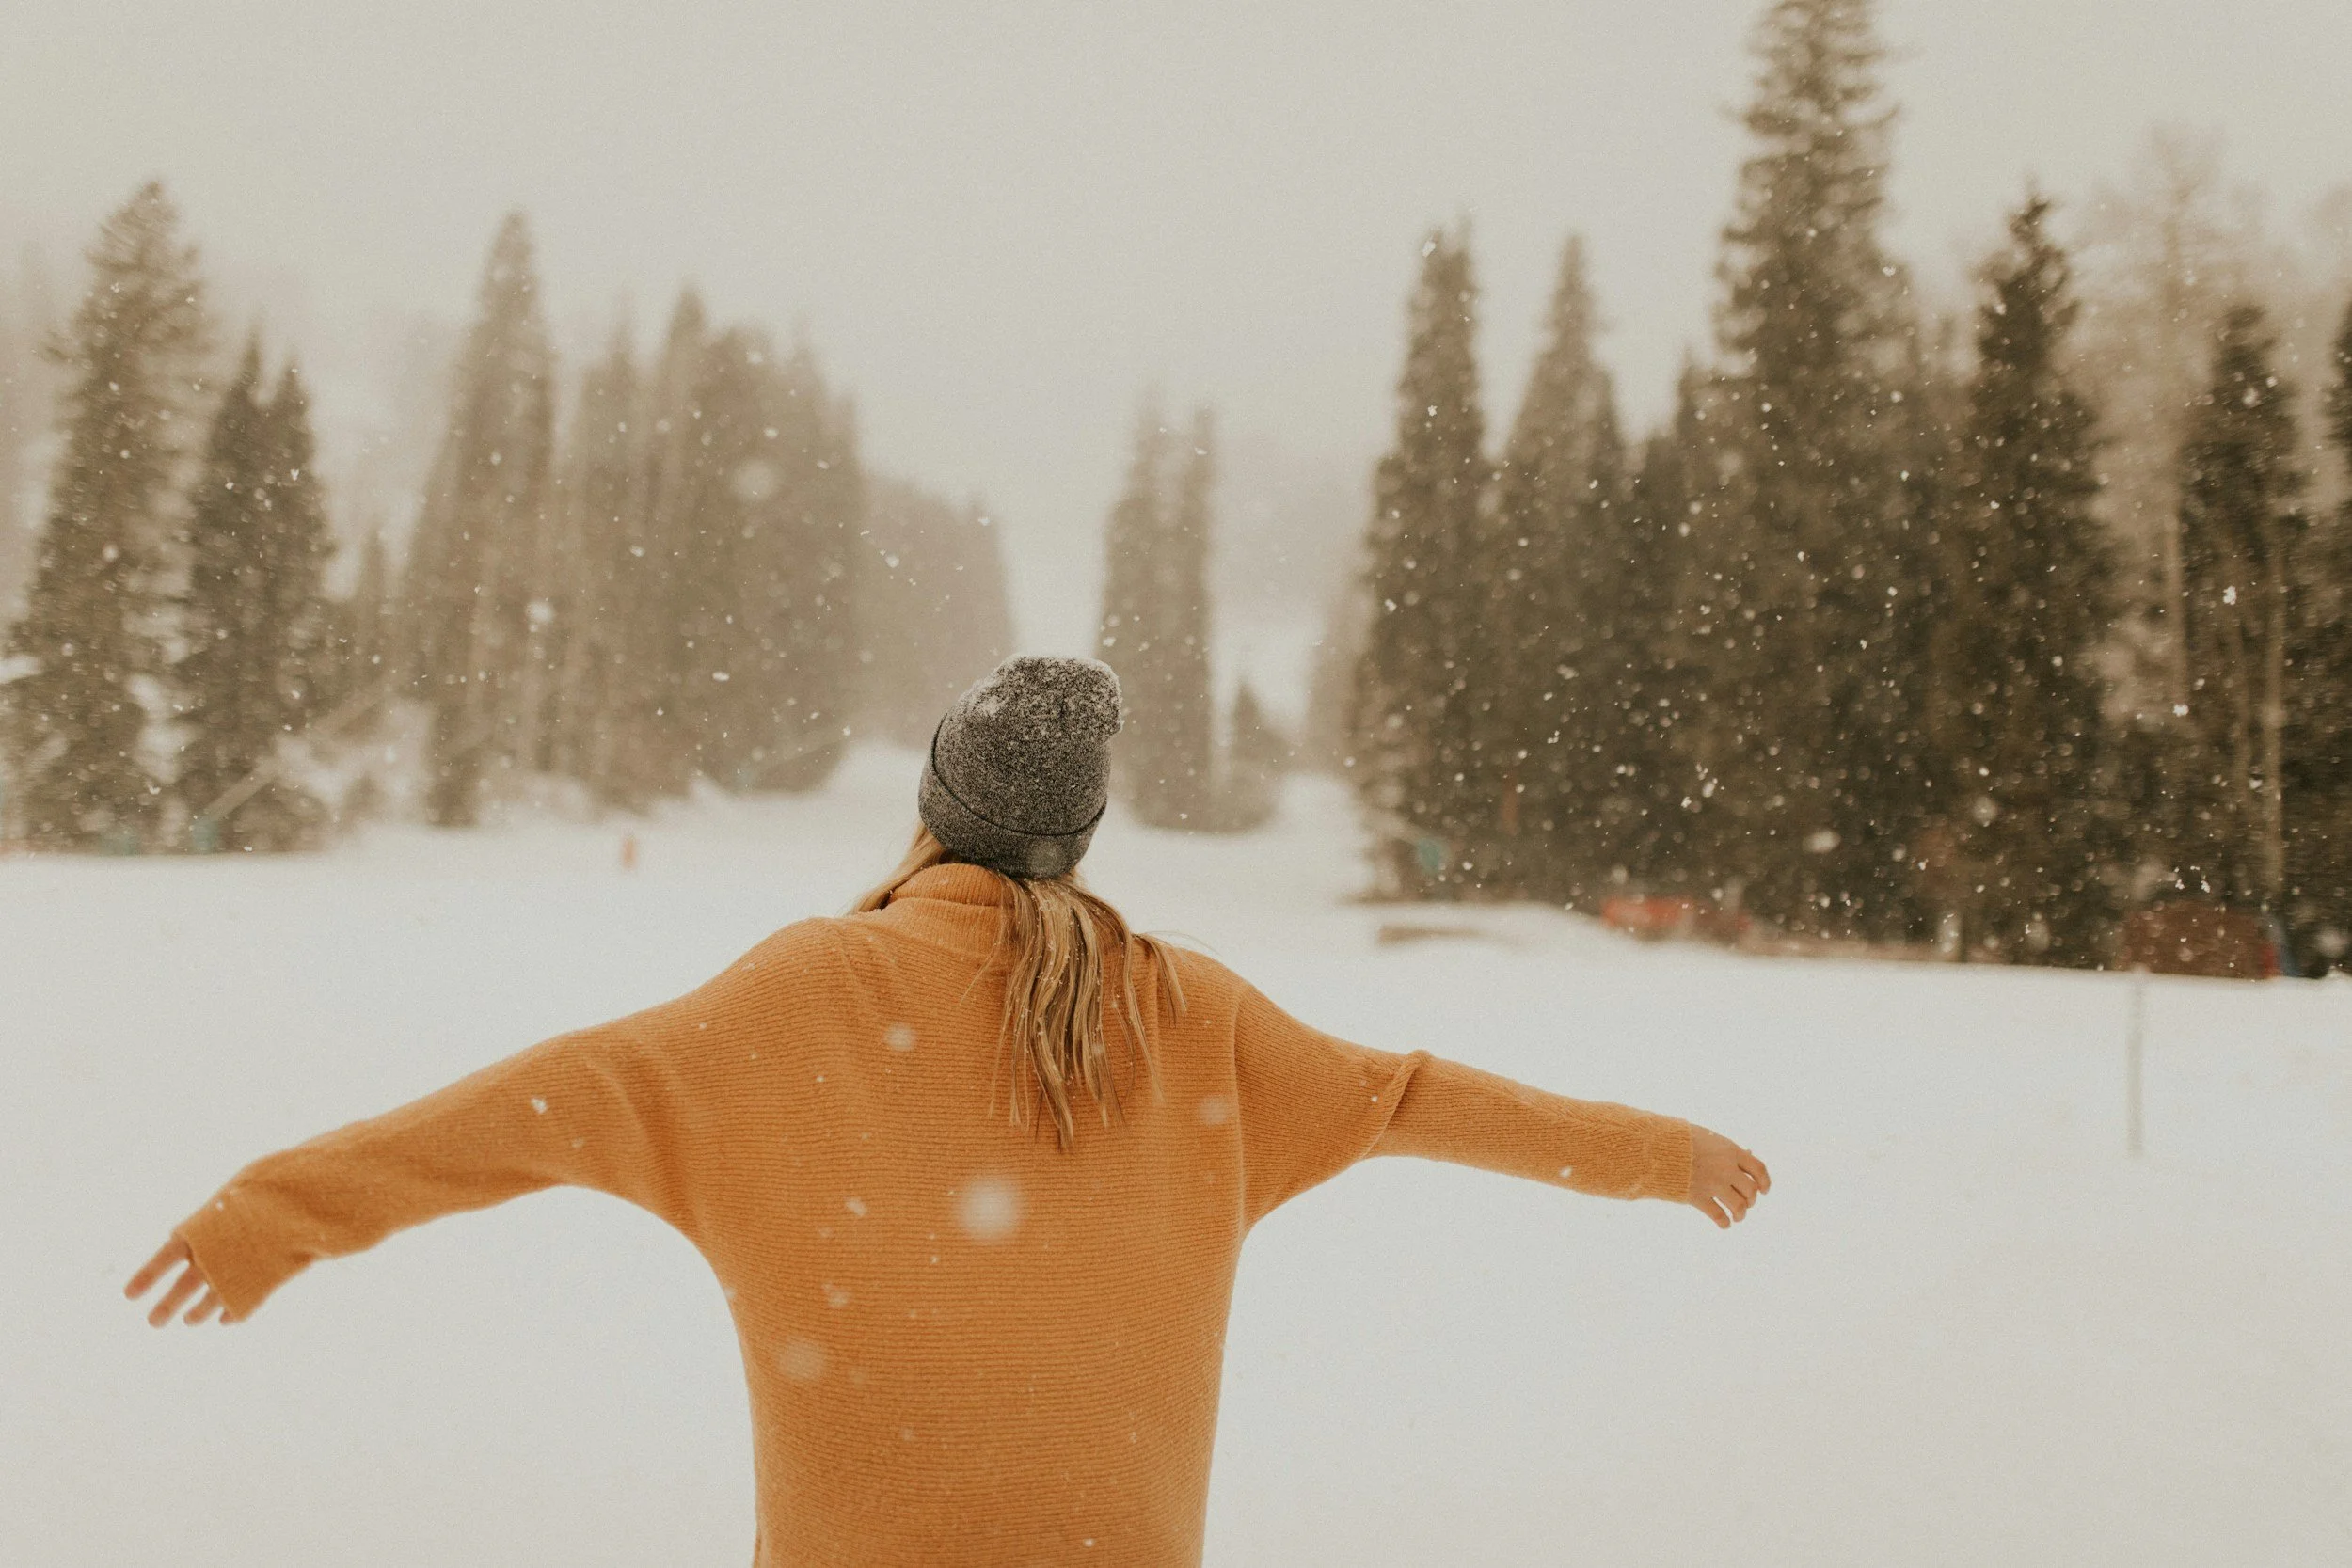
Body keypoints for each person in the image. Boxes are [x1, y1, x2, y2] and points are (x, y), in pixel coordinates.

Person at [129, 655, 1769, 1567]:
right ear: (1083, 835)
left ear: (932, 809)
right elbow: (1416, 1097)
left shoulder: (800, 1000)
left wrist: (279, 1212)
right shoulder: (1189, 1017)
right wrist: (1654, 1153)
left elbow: (543, 1103)